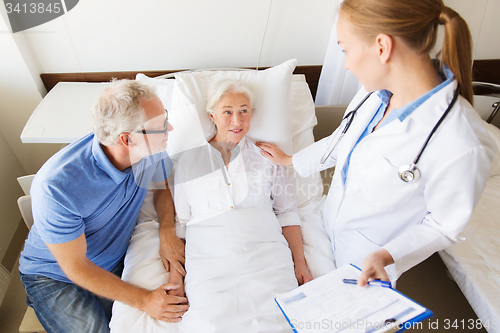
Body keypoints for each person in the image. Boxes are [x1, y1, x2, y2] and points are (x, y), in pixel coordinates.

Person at [256, 0, 496, 287]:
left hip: (364, 263)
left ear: (382, 47)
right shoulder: (373, 94)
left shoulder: (462, 141)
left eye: (345, 49)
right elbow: (343, 140)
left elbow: (443, 225)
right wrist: (289, 160)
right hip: (322, 227)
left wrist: (386, 255)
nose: (345, 63)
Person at [18, 80, 189, 333]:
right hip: (55, 277)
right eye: (161, 125)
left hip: (110, 261)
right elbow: (76, 268)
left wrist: (166, 230)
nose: (170, 128)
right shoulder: (56, 188)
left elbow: (162, 183)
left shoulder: (149, 149)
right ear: (127, 139)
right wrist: (145, 300)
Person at [170, 78, 312, 331]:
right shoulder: (188, 161)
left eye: (243, 111)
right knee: (208, 323)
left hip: (266, 256)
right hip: (210, 260)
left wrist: (299, 264)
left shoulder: (268, 155)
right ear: (211, 115)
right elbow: (182, 225)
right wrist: (176, 276)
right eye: (228, 112)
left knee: (278, 322)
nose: (237, 121)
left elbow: (287, 212)